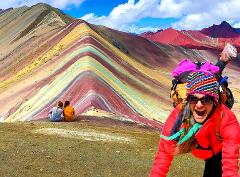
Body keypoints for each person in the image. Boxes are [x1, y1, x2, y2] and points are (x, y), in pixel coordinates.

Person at [150, 71, 240, 177]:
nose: (199, 105)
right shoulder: (179, 114)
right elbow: (163, 155)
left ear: (215, 101)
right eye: (193, 99)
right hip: (196, 145)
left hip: (216, 150)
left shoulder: (227, 120)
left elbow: (230, 167)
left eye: (206, 100)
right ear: (187, 101)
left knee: (214, 167)